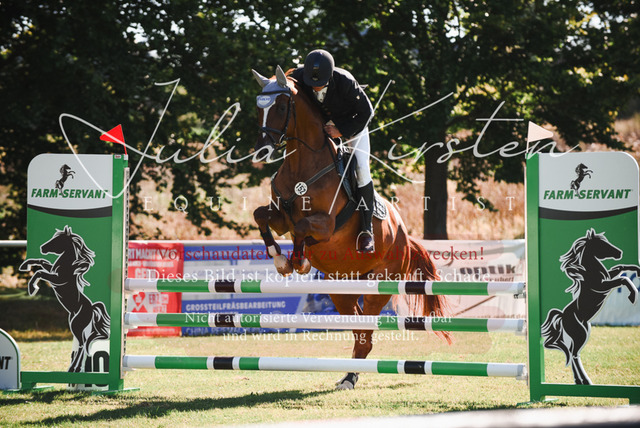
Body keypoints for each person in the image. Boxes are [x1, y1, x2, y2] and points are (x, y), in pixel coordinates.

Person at [292, 49, 376, 253]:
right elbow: (283, 82)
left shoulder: (345, 81)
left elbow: (367, 112)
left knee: (362, 169)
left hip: (352, 124)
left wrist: (342, 130)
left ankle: (367, 230)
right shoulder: (300, 75)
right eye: (311, 83)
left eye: (319, 83)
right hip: (322, 127)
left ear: (329, 76)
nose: (315, 87)